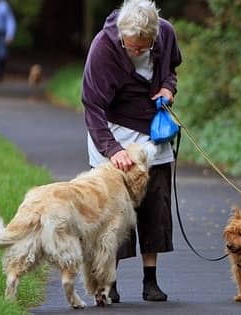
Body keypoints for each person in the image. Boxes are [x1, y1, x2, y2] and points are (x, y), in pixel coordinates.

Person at [82, 0, 182, 303]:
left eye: (143, 47)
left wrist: (168, 89)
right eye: (131, 46)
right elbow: (93, 106)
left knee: (155, 202)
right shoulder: (103, 46)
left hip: (153, 131)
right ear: (122, 35)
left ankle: (150, 280)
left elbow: (172, 70)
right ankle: (110, 280)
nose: (136, 51)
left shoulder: (165, 33)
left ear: (154, 36)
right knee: (114, 212)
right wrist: (113, 150)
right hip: (113, 130)